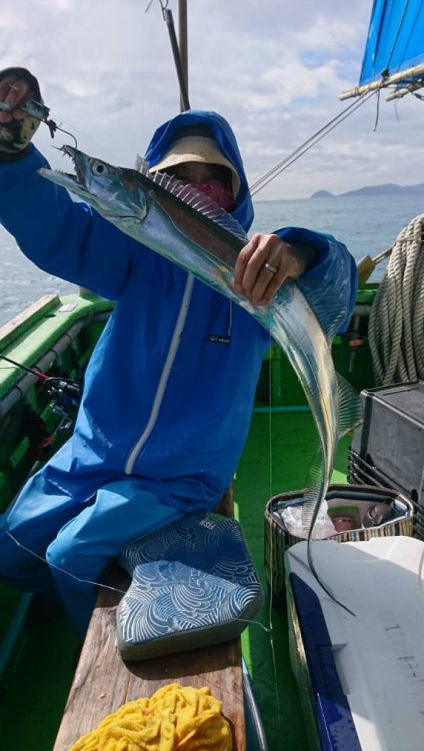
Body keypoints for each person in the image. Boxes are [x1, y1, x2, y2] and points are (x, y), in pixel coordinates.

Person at [0, 68, 357, 635]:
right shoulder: (131, 253)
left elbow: (336, 290)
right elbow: (55, 224)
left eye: (212, 177)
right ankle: (105, 573)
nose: (197, 187)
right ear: (156, 187)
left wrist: (300, 254)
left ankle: (89, 642)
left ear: (236, 190)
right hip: (94, 454)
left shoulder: (257, 278)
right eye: (179, 177)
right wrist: (11, 156)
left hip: (183, 476)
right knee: (11, 549)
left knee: (71, 555)